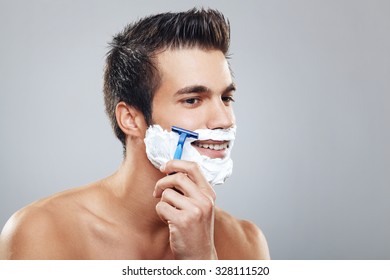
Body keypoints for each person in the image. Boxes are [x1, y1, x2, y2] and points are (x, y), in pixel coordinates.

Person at [0, 8, 270, 260]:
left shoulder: (246, 244)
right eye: (192, 100)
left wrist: (202, 261)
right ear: (130, 119)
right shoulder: (43, 233)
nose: (224, 119)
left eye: (225, 97)